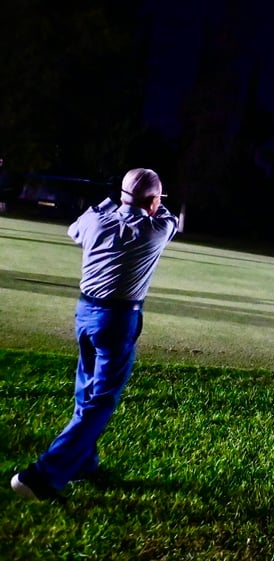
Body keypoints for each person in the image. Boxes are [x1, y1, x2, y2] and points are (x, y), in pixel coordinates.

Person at [11, 168, 178, 501]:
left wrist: (109, 201)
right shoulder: (155, 229)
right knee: (100, 401)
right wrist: (145, 203)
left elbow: (75, 230)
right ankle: (42, 476)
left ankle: (83, 462)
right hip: (118, 321)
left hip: (85, 313)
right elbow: (169, 218)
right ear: (152, 200)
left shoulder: (94, 220)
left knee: (85, 392)